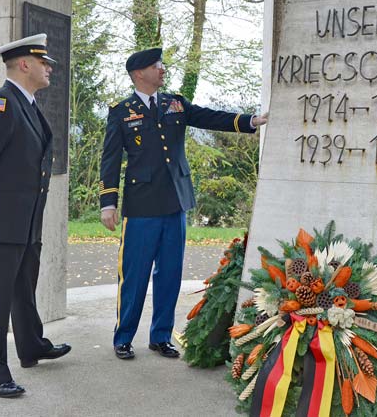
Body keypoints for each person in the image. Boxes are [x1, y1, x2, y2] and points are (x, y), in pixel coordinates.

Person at [99, 47, 268, 360]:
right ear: (139, 74)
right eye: (156, 65)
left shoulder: (174, 102)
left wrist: (250, 121)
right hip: (141, 207)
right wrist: (107, 201)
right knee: (134, 277)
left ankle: (161, 336)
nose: (162, 69)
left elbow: (208, 116)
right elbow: (109, 160)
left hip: (176, 201)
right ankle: (124, 337)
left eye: (161, 65)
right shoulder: (121, 111)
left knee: (170, 274)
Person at [0, 33, 71, 398]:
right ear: (25, 64)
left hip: (25, 223)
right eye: (43, 62)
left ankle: (32, 346)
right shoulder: (0, 104)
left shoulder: (29, 105)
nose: (50, 68)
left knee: (24, 290)